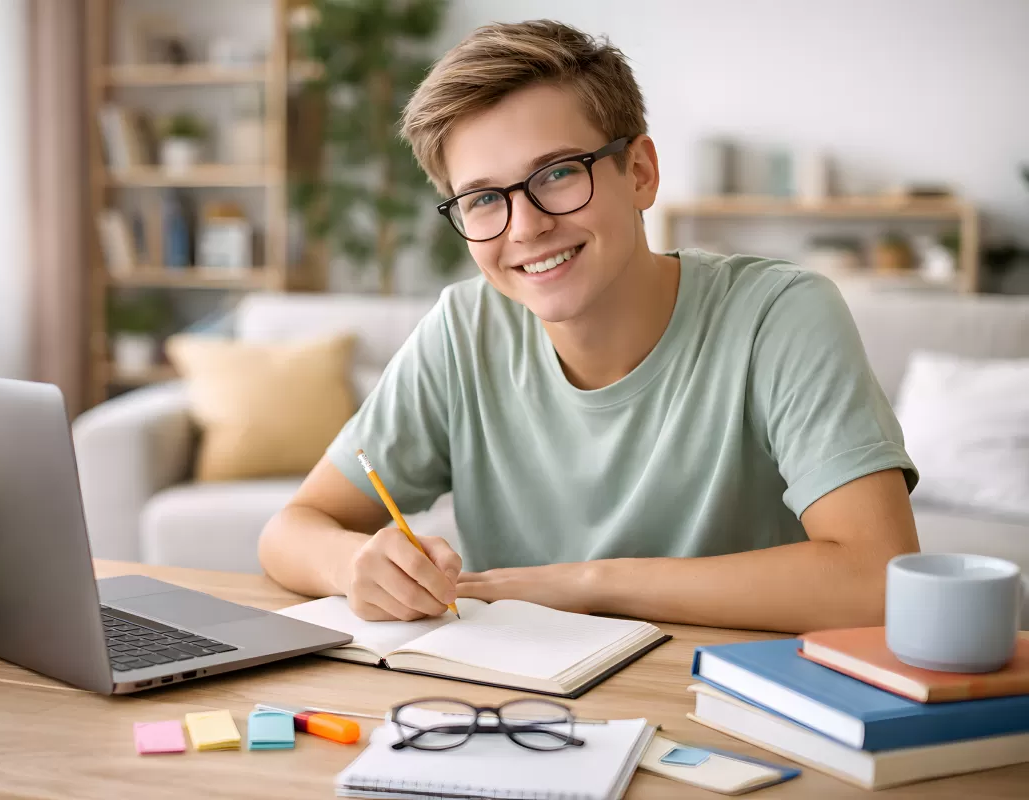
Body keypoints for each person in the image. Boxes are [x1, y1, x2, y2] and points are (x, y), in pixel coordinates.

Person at [258, 19, 919, 633]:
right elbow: (290, 532)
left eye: (558, 174)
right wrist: (353, 566)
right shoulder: (463, 331)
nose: (526, 226)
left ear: (640, 172)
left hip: (731, 711)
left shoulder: (780, 316)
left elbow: (876, 579)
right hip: (518, 709)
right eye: (484, 198)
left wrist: (590, 584)